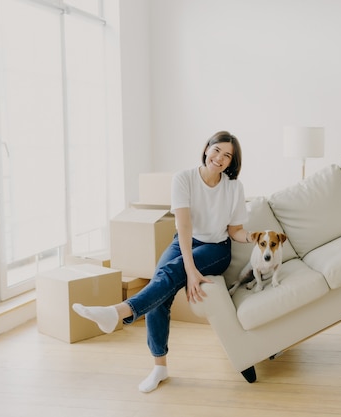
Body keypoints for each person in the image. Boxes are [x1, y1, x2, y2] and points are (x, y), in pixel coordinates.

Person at [72, 131, 252, 391]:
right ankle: (159, 368)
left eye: (227, 156)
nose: (220, 158)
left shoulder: (234, 187)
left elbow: (235, 231)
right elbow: (184, 225)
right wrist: (190, 269)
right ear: (206, 149)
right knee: (161, 288)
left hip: (216, 249)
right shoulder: (184, 178)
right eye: (217, 150)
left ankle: (117, 313)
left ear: (231, 162)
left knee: (167, 276)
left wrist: (253, 237)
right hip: (184, 240)